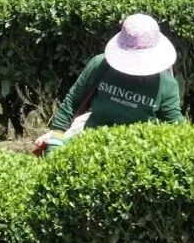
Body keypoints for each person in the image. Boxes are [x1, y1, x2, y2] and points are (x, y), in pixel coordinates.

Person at [33, 13, 185, 155]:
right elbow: (73, 101)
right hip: (90, 139)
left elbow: (174, 124)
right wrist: (56, 137)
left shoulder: (165, 84)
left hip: (138, 151)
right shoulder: (101, 65)